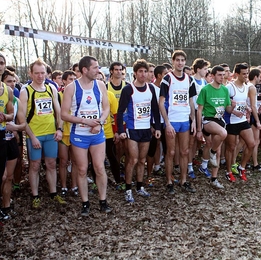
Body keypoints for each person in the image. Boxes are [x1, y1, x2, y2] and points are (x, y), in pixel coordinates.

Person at [61, 56, 112, 216]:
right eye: (95, 68)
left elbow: (106, 107)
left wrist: (99, 123)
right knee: (82, 169)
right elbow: (63, 114)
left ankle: (103, 201)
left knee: (99, 167)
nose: (98, 70)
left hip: (97, 133)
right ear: (85, 70)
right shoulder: (71, 88)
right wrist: (85, 121)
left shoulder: (100, 85)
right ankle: (85, 203)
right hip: (79, 134)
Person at [19, 59, 65, 208]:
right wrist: (32, 137)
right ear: (30, 73)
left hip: (51, 134)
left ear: (46, 73)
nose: (40, 76)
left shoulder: (51, 89)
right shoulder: (25, 91)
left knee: (51, 164)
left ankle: (53, 193)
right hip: (35, 135)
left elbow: (58, 111)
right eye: (37, 73)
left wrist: (59, 129)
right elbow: (21, 117)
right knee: (35, 165)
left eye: (42, 73)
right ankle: (35, 196)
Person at [116, 59, 161, 203]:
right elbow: (120, 111)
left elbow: (155, 109)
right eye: (140, 71)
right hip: (132, 129)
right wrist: (121, 130)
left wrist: (158, 128)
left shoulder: (151, 88)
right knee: (133, 159)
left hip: (146, 129)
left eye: (145, 71)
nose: (143, 74)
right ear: (135, 73)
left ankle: (140, 187)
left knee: (142, 160)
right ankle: (128, 189)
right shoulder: (128, 89)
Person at [159, 50, 197, 194]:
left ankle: (183, 180)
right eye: (177, 60)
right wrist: (167, 123)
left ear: (185, 62)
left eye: (182, 60)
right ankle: (169, 181)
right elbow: (161, 102)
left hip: (184, 121)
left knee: (185, 151)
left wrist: (193, 120)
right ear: (173, 61)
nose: (180, 63)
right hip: (172, 120)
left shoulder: (189, 79)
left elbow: (191, 101)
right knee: (171, 152)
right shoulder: (167, 79)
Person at [196, 65, 233, 188]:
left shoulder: (225, 90)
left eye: (223, 75)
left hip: (219, 120)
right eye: (219, 75)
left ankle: (214, 178)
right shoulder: (205, 89)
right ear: (212, 76)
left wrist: (233, 107)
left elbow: (227, 108)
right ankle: (210, 153)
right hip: (208, 120)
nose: (222, 77)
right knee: (223, 134)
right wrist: (198, 129)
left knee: (218, 151)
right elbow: (199, 109)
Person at [224, 63, 260, 182]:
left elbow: (242, 102)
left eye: (247, 73)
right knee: (231, 147)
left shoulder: (247, 87)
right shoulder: (229, 87)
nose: (246, 76)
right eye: (243, 74)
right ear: (237, 74)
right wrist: (234, 111)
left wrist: (247, 108)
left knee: (251, 144)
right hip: (231, 122)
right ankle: (228, 171)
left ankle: (242, 167)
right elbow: (225, 105)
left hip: (243, 120)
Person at [58, 70, 78, 197]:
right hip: (63, 132)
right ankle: (64, 186)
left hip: (76, 131)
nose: (73, 82)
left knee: (76, 161)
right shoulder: (59, 95)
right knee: (64, 161)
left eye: (75, 79)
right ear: (64, 81)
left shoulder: (78, 94)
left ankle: (74, 185)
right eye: (70, 79)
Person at [189, 58, 210, 179]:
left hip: (203, 113)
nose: (206, 71)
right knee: (191, 141)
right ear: (198, 69)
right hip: (193, 112)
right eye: (205, 69)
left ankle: (202, 164)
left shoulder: (204, 82)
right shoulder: (190, 80)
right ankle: (189, 166)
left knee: (202, 140)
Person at [0, 60, 16, 220]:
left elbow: (11, 113)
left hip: (3, 135)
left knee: (5, 176)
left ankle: (6, 206)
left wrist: (5, 116)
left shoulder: (7, 90)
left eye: (1, 63)